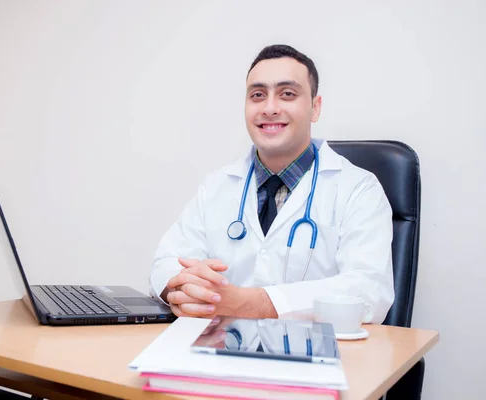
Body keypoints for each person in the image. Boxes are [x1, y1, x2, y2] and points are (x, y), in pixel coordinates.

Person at [148, 44, 394, 325]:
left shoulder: (358, 189)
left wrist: (250, 303)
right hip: (222, 353)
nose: (270, 108)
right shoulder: (217, 186)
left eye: (287, 94)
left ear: (315, 107)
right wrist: (180, 289)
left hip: (319, 359)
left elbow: (368, 292)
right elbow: (165, 262)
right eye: (257, 95)